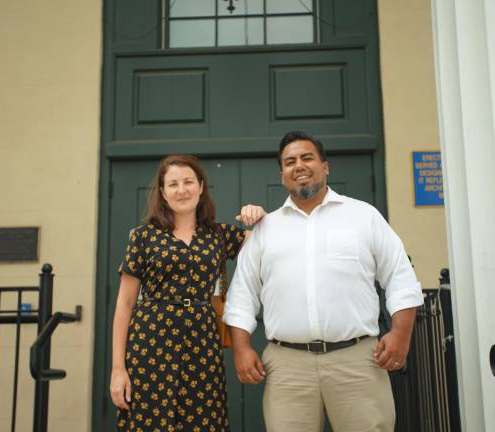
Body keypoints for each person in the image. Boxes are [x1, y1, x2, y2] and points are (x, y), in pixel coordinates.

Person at [223, 131, 424, 432]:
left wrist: (400, 334)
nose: (299, 166)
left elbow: (400, 277)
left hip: (357, 361)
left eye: (307, 158)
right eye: (290, 162)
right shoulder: (266, 229)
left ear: (325, 166)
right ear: (282, 175)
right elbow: (242, 296)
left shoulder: (363, 217)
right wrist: (241, 348)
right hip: (287, 366)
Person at [110, 155, 265, 432]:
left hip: (202, 345)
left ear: (201, 186)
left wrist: (260, 217)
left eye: (188, 182)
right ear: (162, 192)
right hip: (150, 346)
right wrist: (118, 369)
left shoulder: (219, 235)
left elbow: (269, 244)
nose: (181, 190)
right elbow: (125, 303)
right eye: (173, 184)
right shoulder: (143, 237)